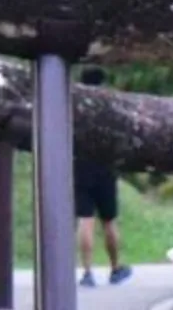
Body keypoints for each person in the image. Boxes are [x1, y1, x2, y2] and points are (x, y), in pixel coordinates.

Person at [74, 67, 134, 288]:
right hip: (105, 167)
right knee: (109, 221)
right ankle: (115, 267)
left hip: (80, 166)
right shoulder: (109, 107)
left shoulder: (75, 105)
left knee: (85, 219)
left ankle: (87, 272)